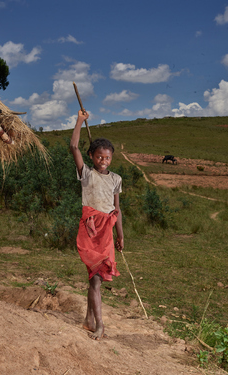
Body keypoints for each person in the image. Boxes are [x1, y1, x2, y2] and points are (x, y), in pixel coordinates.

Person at [69, 109, 124, 340]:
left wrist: (120, 235)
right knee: (95, 278)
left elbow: (117, 209)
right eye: (99, 157)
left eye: (107, 157)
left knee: (96, 278)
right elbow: (73, 147)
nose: (103, 161)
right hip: (91, 229)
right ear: (92, 156)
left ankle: (88, 320)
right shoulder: (86, 175)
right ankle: (100, 325)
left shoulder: (115, 179)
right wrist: (80, 121)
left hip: (107, 232)